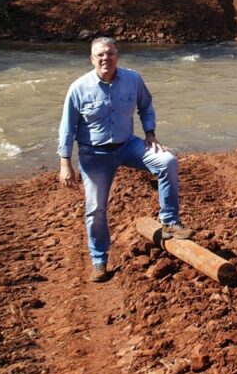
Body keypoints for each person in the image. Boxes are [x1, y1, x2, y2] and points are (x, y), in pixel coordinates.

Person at [58, 37, 193, 282]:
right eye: (99, 55)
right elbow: (67, 128)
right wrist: (65, 162)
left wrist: (150, 132)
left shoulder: (133, 79)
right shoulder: (79, 88)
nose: (105, 58)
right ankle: (99, 260)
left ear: (117, 55)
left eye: (109, 53)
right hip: (94, 154)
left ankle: (170, 222)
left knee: (168, 161)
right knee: (96, 209)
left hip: (127, 145)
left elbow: (146, 106)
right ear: (91, 59)